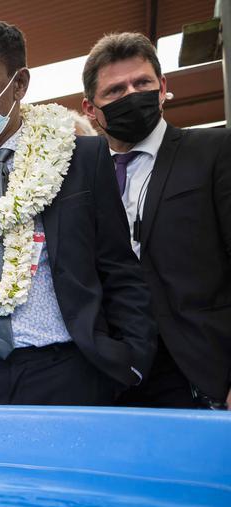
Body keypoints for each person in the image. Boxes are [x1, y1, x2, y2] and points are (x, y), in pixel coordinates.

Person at [0, 20, 155, 406]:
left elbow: (118, 267)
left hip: (66, 371)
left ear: (19, 85)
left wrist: (130, 360)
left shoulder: (81, 160)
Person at [82, 32, 231, 410]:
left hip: (200, 368)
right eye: (115, 91)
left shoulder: (213, 152)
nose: (132, 95)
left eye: (143, 83)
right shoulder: (78, 177)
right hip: (112, 376)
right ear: (90, 109)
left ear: (163, 87)